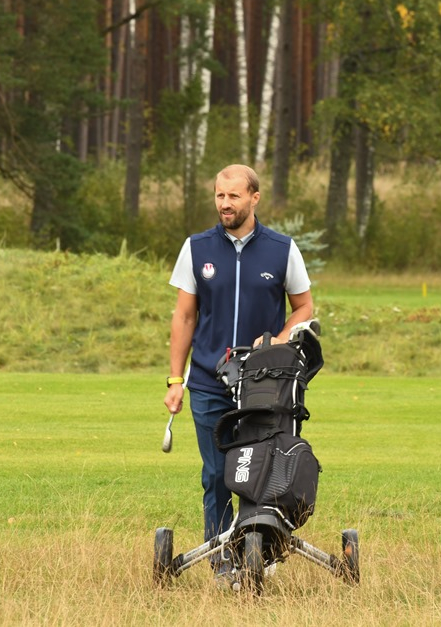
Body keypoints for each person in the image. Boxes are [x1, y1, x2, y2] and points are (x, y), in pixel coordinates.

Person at [163, 163, 313, 580]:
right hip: (210, 383)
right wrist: (176, 380)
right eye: (219, 195)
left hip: (265, 387)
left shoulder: (282, 249)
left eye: (233, 196)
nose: (224, 203)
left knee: (263, 472)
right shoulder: (197, 248)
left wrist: (279, 339)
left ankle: (264, 553)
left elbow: (303, 306)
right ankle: (222, 562)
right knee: (216, 475)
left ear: (254, 198)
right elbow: (184, 317)